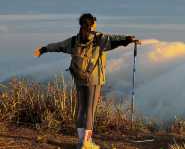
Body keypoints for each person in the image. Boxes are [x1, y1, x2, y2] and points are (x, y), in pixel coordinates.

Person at [34, 13, 141, 149]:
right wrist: (129, 39)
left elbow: (59, 46)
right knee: (90, 110)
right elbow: (115, 40)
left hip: (78, 77)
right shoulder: (99, 39)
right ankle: (87, 142)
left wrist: (44, 49)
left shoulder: (74, 40)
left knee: (81, 108)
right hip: (94, 79)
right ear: (92, 24)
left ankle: (80, 141)